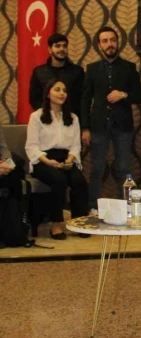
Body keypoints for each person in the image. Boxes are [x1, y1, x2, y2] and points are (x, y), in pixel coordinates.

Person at [81, 26, 141, 212]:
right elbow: (85, 100)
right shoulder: (92, 69)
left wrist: (123, 94)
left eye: (112, 40)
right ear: (99, 45)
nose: (109, 44)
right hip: (98, 126)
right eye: (105, 41)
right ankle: (93, 207)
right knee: (96, 169)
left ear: (118, 42)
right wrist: (85, 128)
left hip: (122, 126)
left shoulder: (129, 67)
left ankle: (126, 208)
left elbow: (140, 96)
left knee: (124, 168)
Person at [25, 79, 89, 239]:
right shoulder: (36, 116)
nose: (62, 93)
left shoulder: (73, 118)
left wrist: (69, 161)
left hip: (66, 159)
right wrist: (48, 162)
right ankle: (56, 224)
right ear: (48, 94)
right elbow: (31, 146)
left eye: (64, 91)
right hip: (43, 159)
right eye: (57, 89)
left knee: (79, 181)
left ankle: (79, 222)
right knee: (59, 180)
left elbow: (76, 146)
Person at [29, 33, 85, 118]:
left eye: (64, 46)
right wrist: (48, 114)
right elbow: (34, 99)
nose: (62, 49)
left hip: (71, 119)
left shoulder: (77, 71)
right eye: (57, 46)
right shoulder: (39, 72)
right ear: (50, 49)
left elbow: (83, 98)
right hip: (47, 119)